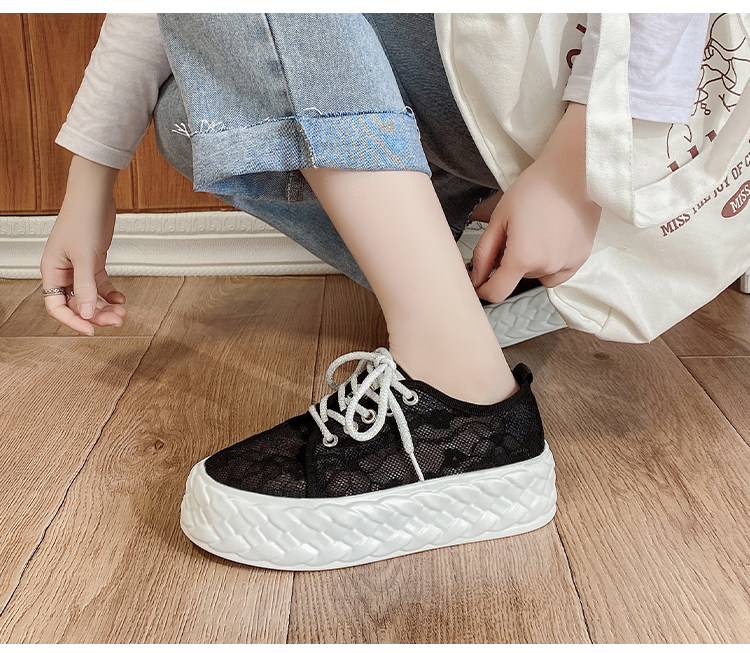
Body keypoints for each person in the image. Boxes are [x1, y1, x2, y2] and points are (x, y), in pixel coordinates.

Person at [41, 14, 708, 570]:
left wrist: (576, 166)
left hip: (622, 78)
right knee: (190, 115)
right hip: (485, 81)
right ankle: (474, 275)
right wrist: (90, 177)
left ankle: (463, 385)